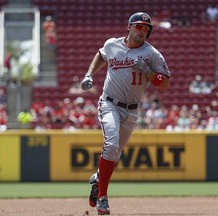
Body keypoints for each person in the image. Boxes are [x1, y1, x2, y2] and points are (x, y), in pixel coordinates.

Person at [80, 12, 170, 215]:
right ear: (129, 27)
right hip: (109, 103)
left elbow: (164, 83)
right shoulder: (112, 44)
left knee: (115, 154)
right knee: (110, 146)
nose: (143, 31)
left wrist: (148, 72)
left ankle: (97, 179)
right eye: (139, 26)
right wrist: (89, 74)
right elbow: (101, 55)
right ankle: (102, 198)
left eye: (146, 28)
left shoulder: (151, 53)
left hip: (132, 110)